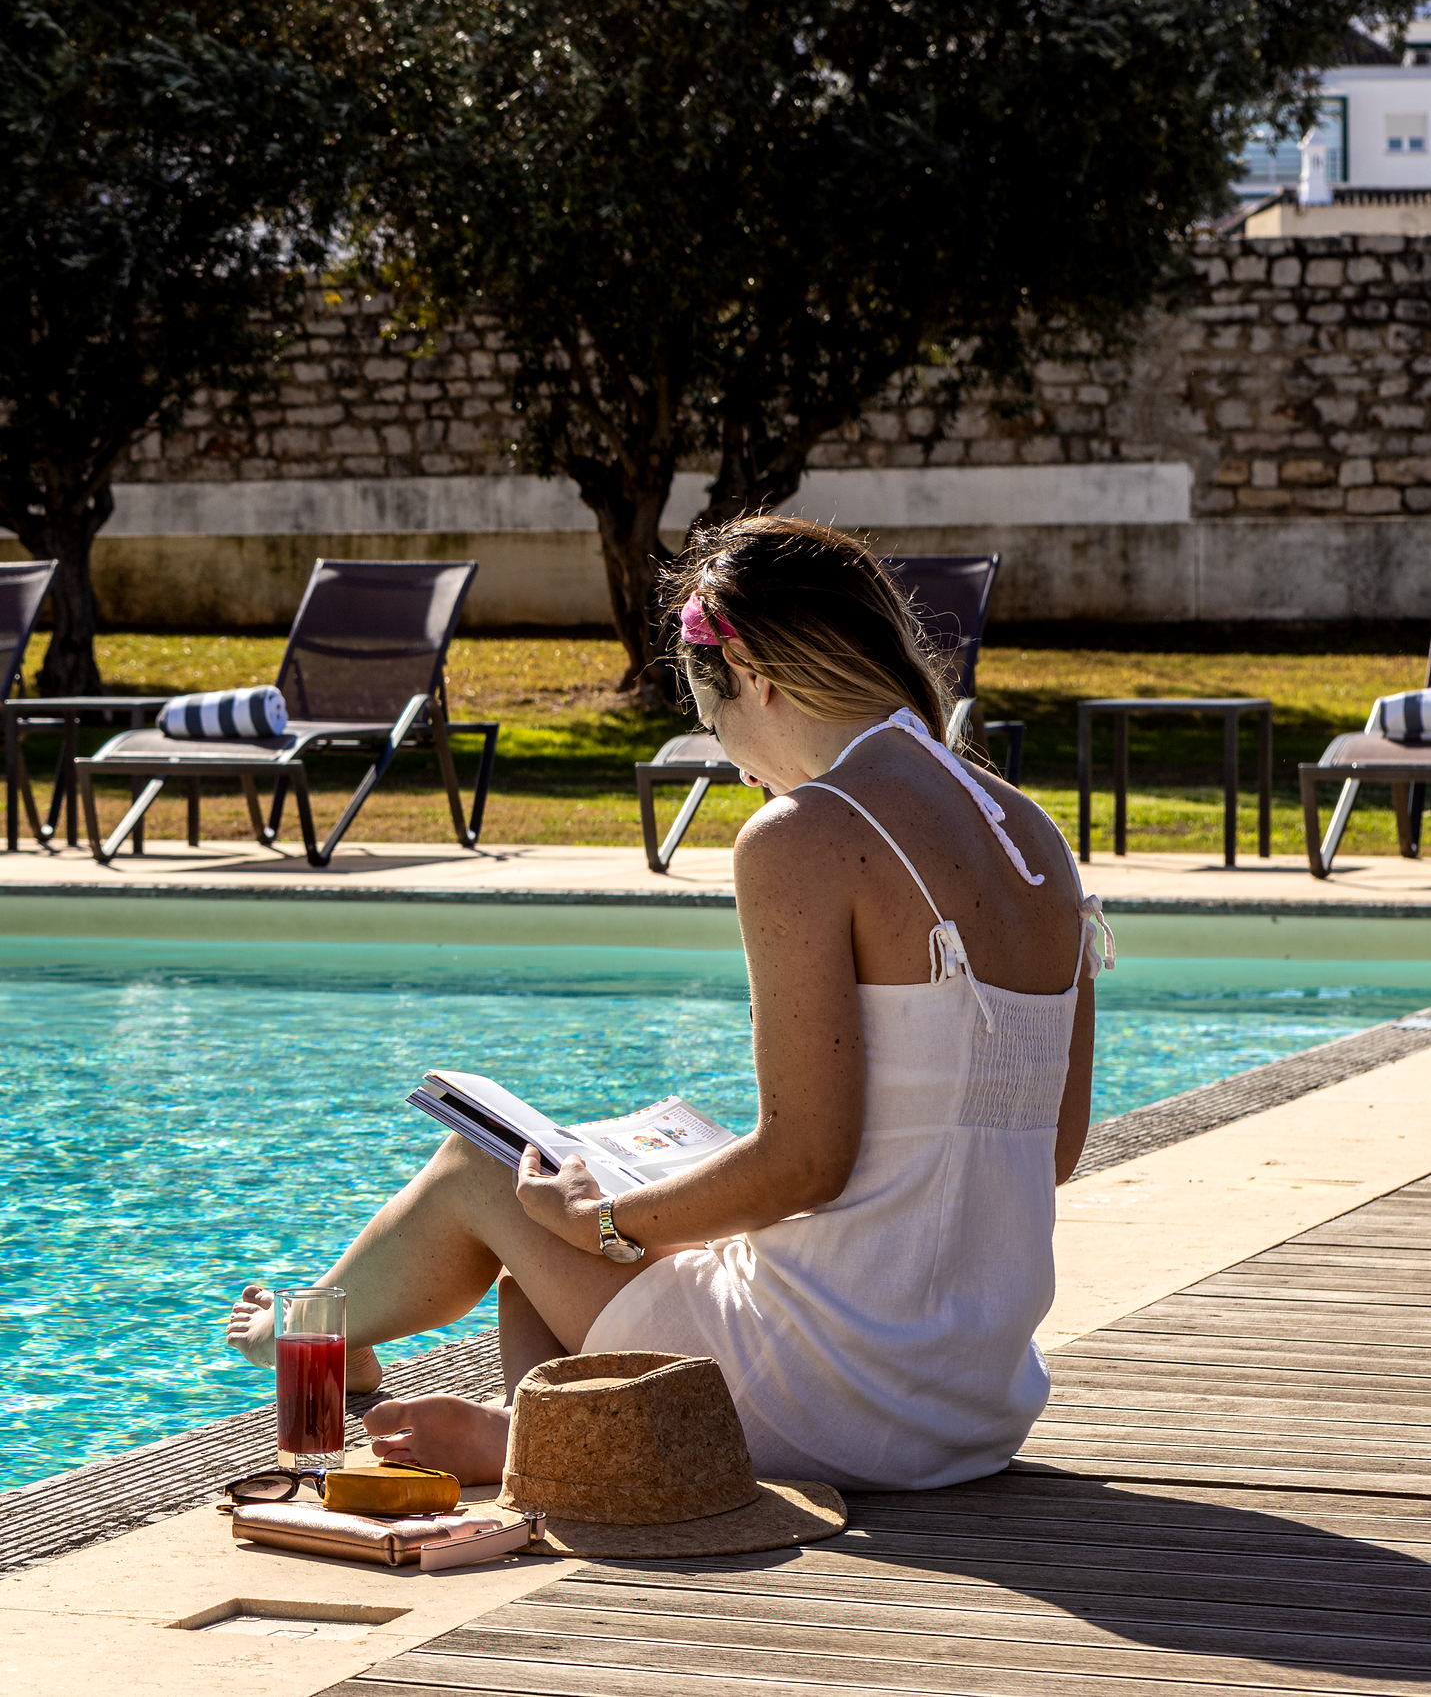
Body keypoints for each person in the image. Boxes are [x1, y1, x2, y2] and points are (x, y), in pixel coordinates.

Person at [227, 516, 1109, 1488]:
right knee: (540, 1270)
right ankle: (539, 1433)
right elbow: (1047, 1153)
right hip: (974, 1404)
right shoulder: (1033, 837)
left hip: (840, 1396)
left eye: (704, 697)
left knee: (485, 1168)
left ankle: (304, 1335)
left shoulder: (805, 836)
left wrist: (610, 1224)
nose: (722, 745)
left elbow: (807, 1163)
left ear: (760, 676)